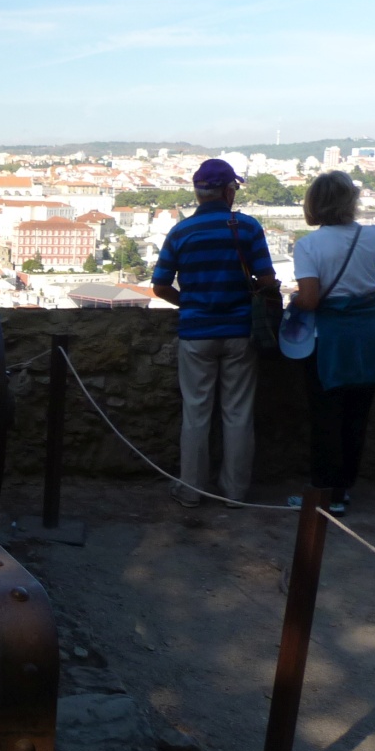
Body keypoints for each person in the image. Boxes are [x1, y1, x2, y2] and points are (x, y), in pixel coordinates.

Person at [152, 158, 278, 508]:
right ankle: (235, 492)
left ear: (198, 193)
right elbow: (267, 279)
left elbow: (160, 286)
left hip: (196, 332)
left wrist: (190, 303)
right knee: (238, 413)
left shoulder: (180, 232)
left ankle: (191, 490)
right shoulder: (248, 228)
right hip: (240, 331)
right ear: (228, 191)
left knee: (196, 413)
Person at [285, 171, 375, 515]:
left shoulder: (309, 245)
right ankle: (343, 489)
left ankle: (324, 493)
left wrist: (291, 299)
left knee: (326, 417)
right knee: (356, 416)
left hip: (332, 339)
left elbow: (309, 300)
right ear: (351, 201)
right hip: (371, 335)